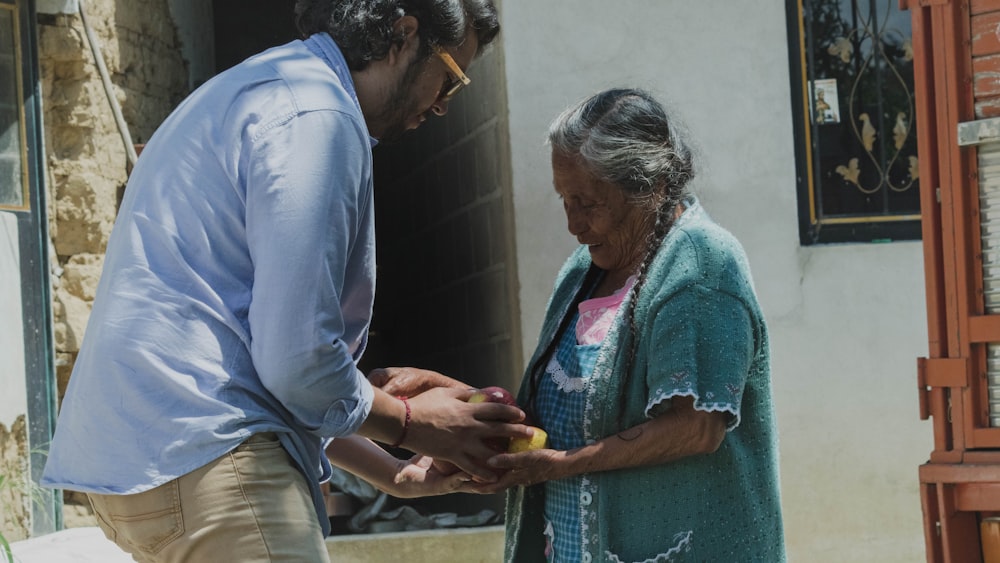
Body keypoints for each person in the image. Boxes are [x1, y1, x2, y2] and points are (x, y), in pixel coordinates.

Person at [40, 1, 532, 561]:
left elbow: (267, 365)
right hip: (212, 463)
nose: (444, 104)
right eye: (451, 75)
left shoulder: (256, 89)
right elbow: (297, 363)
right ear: (403, 33)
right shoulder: (317, 118)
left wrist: (395, 475)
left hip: (147, 468)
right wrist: (419, 425)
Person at [375, 88, 786, 561]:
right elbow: (563, 421)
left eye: (587, 203)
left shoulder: (700, 265)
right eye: (564, 200)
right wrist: (449, 400)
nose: (574, 223)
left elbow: (696, 428)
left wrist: (561, 467)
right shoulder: (581, 273)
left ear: (645, 187)